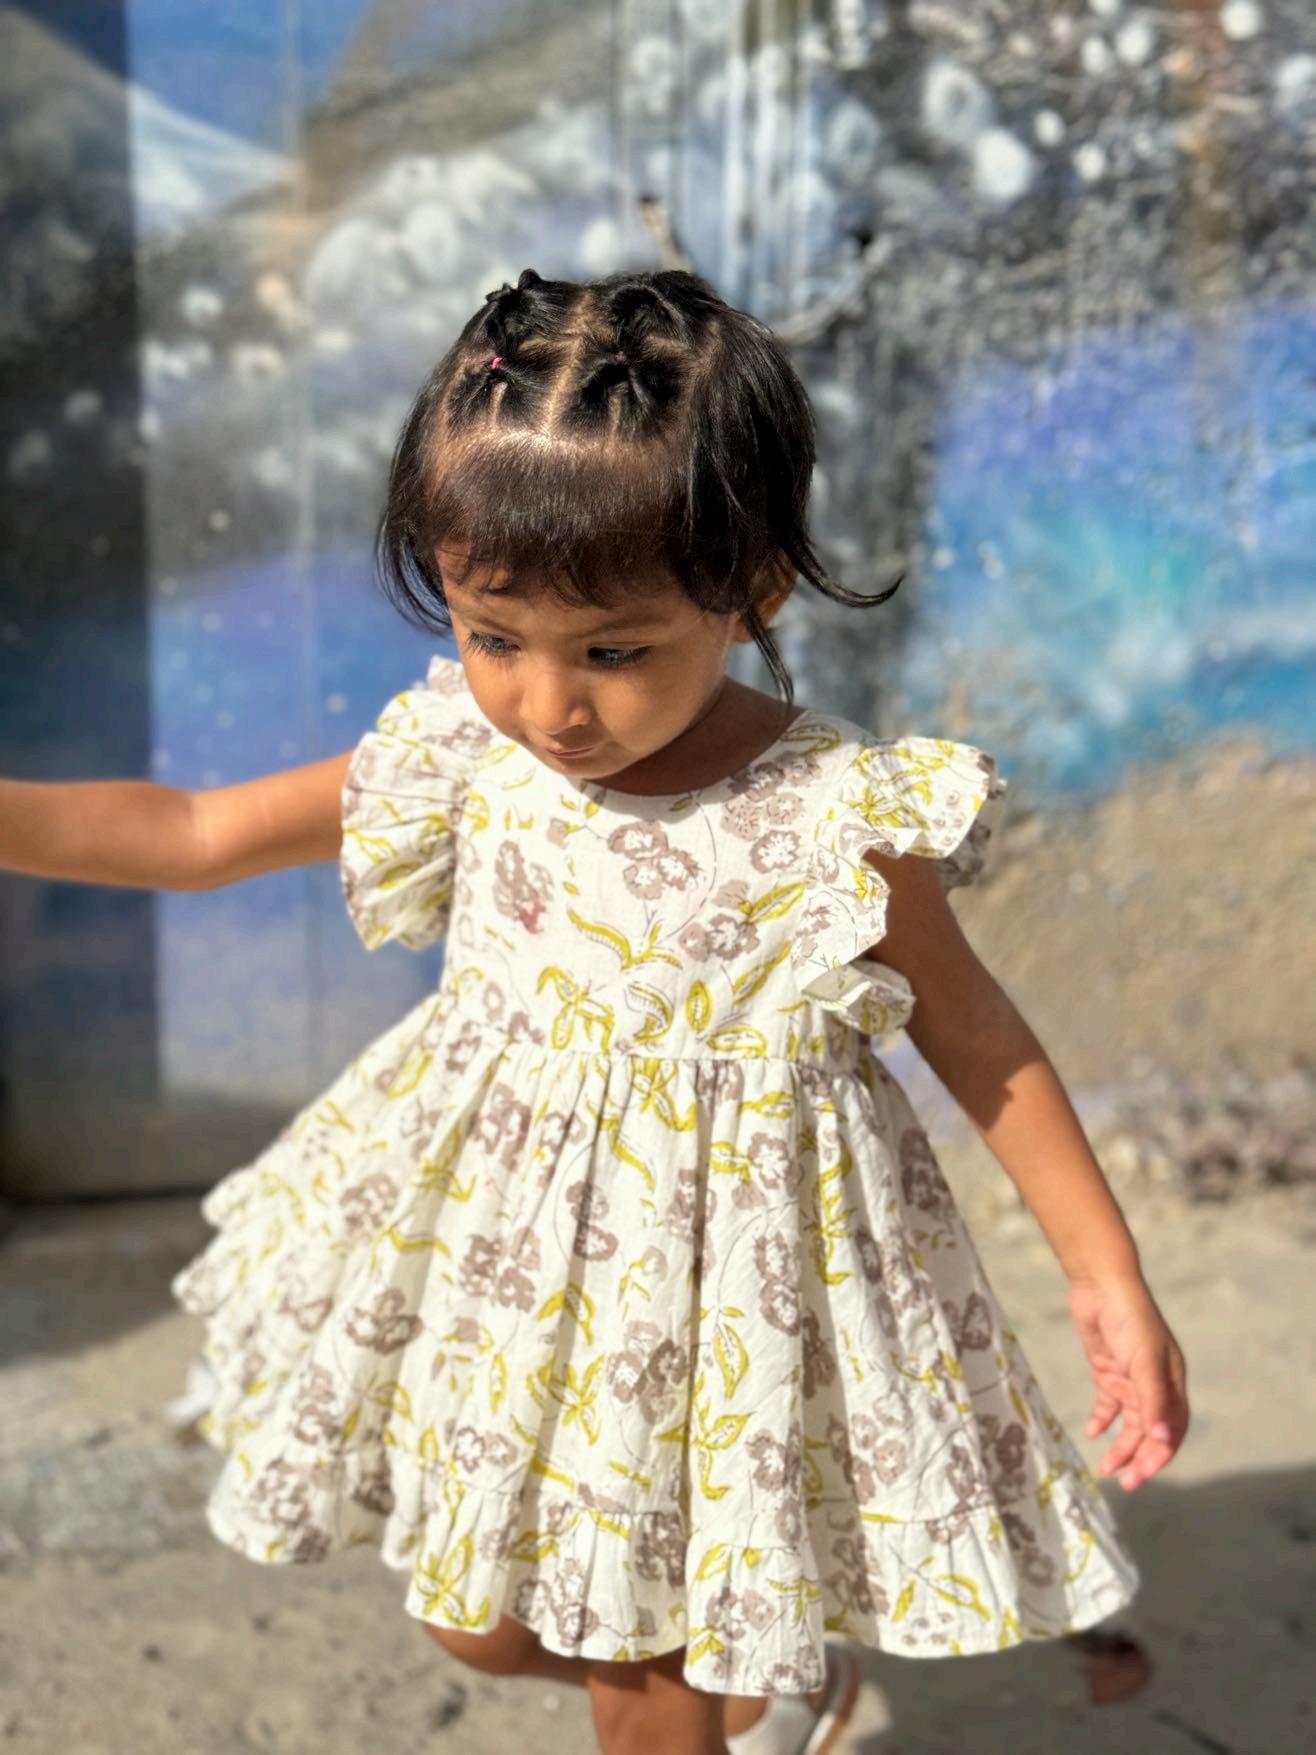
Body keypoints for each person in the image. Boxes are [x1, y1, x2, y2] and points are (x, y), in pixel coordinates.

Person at [0, 268, 1188, 1755]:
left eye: (614, 651)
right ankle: (776, 1684)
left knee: (644, 1696)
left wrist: (1104, 1272)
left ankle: (721, 1692)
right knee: (477, 1622)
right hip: (504, 1286)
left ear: (753, 592)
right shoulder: (467, 755)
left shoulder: (831, 814)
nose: (550, 706)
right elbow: (192, 832)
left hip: (718, 1315)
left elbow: (979, 1035)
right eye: (493, 636)